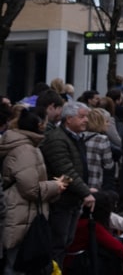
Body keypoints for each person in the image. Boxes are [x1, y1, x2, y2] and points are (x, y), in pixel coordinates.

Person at [1, 106, 67, 272]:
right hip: (21, 215)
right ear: (39, 125)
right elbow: (30, 189)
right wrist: (55, 186)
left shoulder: (25, 146)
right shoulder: (26, 150)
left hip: (22, 214)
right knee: (17, 266)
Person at [41, 100, 96, 268]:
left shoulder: (76, 138)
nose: (86, 120)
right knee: (58, 243)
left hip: (72, 199)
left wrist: (84, 189)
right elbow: (65, 170)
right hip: (61, 200)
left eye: (86, 116)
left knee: (66, 242)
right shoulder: (57, 139)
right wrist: (85, 191)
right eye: (82, 117)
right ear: (69, 119)